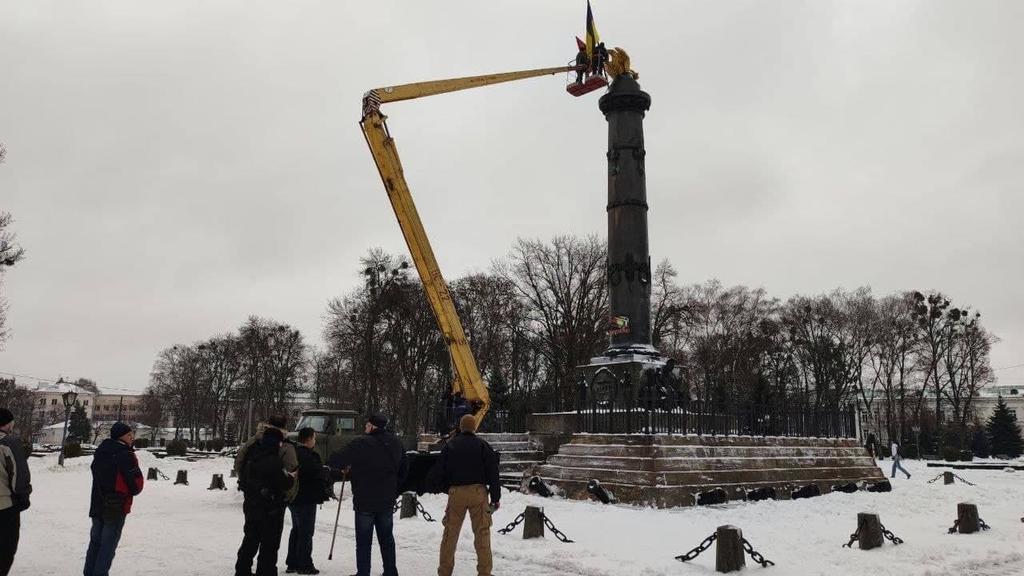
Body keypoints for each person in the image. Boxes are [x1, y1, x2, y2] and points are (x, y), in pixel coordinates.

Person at [327, 414, 408, 576]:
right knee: (387, 539)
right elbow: (404, 469)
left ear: (372, 426)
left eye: (367, 425)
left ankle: (363, 573)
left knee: (364, 542)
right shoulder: (396, 443)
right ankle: (391, 572)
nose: (365, 428)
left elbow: (335, 459)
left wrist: (350, 467)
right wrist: (394, 489)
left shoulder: (361, 443)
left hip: (365, 499)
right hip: (386, 499)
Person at [436, 414, 501, 576]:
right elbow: (493, 473)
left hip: (456, 492)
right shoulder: (483, 445)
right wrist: (496, 497)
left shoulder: (451, 446)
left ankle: (444, 571)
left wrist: (448, 488)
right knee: (482, 534)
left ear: (461, 427)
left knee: (450, 534)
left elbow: (439, 471)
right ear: (474, 428)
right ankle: (485, 572)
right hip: (478, 492)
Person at [84, 422, 144, 576]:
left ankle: (89, 573)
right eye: (130, 434)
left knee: (96, 542)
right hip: (116, 506)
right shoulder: (125, 454)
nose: (132, 438)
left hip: (97, 503)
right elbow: (136, 485)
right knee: (107, 546)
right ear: (122, 436)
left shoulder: (101, 451)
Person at [236, 426, 296, 576]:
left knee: (250, 541)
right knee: (269, 546)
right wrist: (291, 477)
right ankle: (266, 572)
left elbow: (242, 479)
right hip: (270, 510)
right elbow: (284, 482)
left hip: (251, 506)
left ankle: (242, 570)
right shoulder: (274, 462)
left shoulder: (252, 458)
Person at [285, 427, 328, 575]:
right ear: (308, 439)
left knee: (297, 529)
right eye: (314, 438)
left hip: (294, 498)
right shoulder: (307, 455)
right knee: (306, 532)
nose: (315, 441)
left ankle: (292, 562)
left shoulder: (294, 451)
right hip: (305, 498)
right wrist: (331, 473)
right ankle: (304, 564)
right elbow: (317, 472)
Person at [235, 415, 299, 499]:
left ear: (267, 423)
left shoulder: (253, 441)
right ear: (284, 426)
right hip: (274, 497)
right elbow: (291, 472)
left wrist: (245, 483)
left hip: (252, 493)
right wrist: (286, 498)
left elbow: (239, 461)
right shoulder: (287, 446)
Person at [0, 408, 31, 576]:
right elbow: (19, 476)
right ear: (8, 423)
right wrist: (23, 497)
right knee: (5, 547)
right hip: (5, 506)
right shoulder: (9, 443)